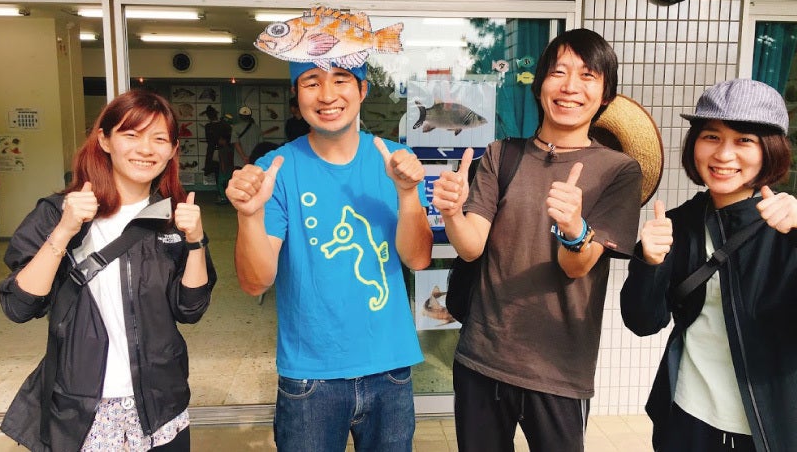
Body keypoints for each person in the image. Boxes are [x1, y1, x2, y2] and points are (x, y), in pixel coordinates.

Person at [432, 28, 644, 451]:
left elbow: (577, 267)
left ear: (605, 95)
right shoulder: (501, 154)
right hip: (482, 358)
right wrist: (452, 212)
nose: (570, 87)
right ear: (540, 84)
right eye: (558, 72)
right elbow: (472, 246)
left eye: (587, 76)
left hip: (558, 370)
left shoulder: (619, 171)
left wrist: (575, 231)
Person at [225, 59, 433, 452]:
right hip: (310, 376)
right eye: (311, 82)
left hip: (389, 367)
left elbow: (418, 259)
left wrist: (407, 194)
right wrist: (249, 216)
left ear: (363, 90)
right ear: (295, 94)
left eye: (341, 80)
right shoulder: (276, 170)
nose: (327, 95)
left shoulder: (395, 161)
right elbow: (255, 282)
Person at [0, 89, 217, 451]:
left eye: (159, 139)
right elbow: (19, 306)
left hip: (160, 402)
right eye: (131, 134)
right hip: (82, 405)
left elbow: (190, 309)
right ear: (104, 140)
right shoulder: (59, 212)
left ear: (173, 150)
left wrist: (195, 241)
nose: (145, 149)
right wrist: (64, 231)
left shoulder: (172, 217)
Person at [620, 78, 797, 452]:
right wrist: (649, 263)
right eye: (712, 136)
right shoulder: (678, 224)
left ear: (770, 149)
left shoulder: (787, 226)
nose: (724, 154)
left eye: (744, 140)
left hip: (771, 429)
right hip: (687, 418)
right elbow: (643, 322)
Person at [200, 104, 231, 178]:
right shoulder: (224, 125)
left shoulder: (208, 126)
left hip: (212, 151)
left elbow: (208, 140)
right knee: (224, 171)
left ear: (208, 116)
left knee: (213, 171)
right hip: (223, 150)